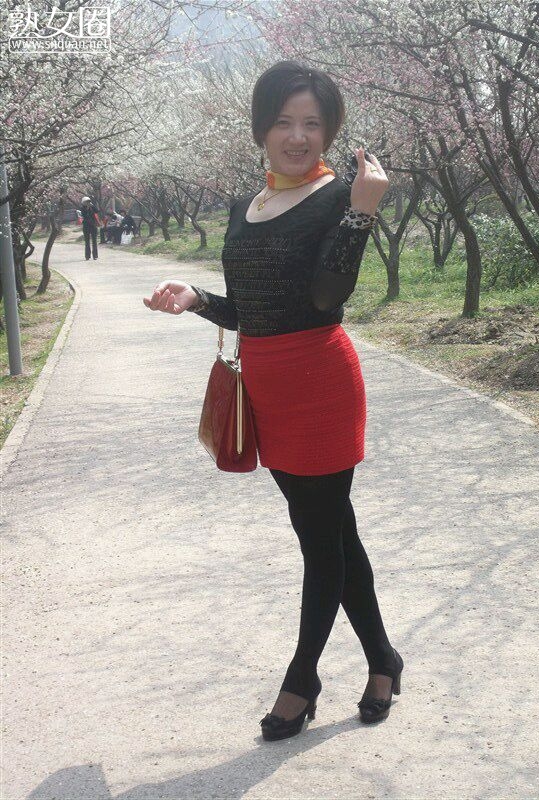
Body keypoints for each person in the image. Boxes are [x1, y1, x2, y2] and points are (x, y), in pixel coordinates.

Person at [142, 60, 403, 742]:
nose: (298, 136)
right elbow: (255, 310)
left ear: (331, 131)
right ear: (262, 127)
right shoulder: (246, 206)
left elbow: (324, 298)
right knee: (334, 533)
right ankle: (383, 660)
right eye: (284, 121)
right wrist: (198, 299)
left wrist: (362, 212)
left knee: (319, 542)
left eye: (313, 123)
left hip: (321, 385)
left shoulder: (340, 196)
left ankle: (301, 679)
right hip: (267, 388)